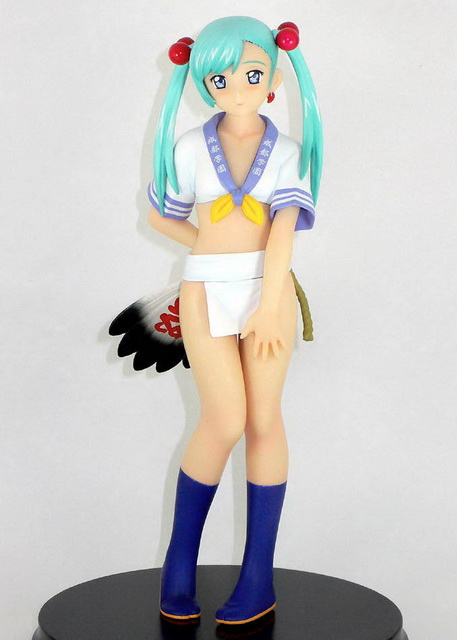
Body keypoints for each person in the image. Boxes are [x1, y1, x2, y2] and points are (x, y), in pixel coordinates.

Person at [146, 16, 323, 625]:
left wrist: (271, 303)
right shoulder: (189, 148)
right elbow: (162, 214)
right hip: (204, 291)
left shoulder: (290, 153)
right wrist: (208, 251)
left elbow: (283, 233)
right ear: (201, 82)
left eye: (251, 75)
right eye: (220, 79)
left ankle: (258, 576)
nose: (237, 89)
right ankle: (178, 562)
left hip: (267, 292)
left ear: (274, 79)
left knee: (264, 420)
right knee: (223, 419)